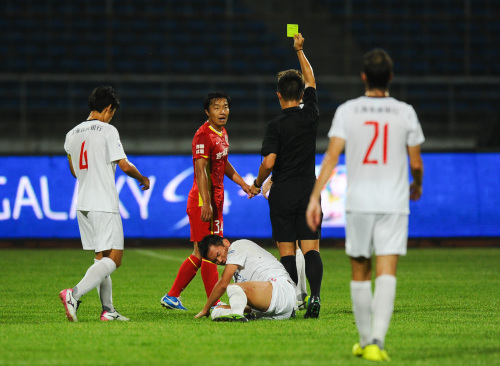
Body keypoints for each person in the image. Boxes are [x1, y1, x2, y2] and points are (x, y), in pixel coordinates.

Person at [306, 48, 424, 361]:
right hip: (394, 203)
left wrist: (315, 195)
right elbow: (416, 163)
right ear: (391, 77)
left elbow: (331, 157)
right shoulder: (405, 112)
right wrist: (418, 184)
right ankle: (377, 343)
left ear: (363, 77)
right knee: (386, 271)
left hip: (358, 203)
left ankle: (362, 340)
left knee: (360, 271)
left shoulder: (348, 111)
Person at [59, 85, 150, 322]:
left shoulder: (71, 134)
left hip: (84, 204)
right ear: (108, 108)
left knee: (101, 258)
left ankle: (108, 310)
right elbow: (125, 165)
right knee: (114, 259)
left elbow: (74, 171)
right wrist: (142, 178)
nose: (112, 116)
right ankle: (74, 294)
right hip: (104, 202)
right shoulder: (108, 130)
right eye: (112, 112)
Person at [249, 33, 322, 318]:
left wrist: (258, 183)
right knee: (312, 249)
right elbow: (312, 80)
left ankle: (291, 301)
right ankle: (314, 296)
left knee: (288, 252)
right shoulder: (311, 115)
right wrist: (300, 50)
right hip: (308, 190)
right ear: (303, 95)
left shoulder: (275, 125)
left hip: (282, 193)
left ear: (278, 95)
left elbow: (269, 162)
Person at [161, 92, 251, 311]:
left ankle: (172, 296)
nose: (222, 111)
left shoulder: (222, 133)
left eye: (226, 106)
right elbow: (200, 170)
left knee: (203, 253)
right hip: (203, 202)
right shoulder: (203, 135)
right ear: (207, 112)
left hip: (216, 202)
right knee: (211, 253)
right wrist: (206, 202)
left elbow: (224, 163)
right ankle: (216, 302)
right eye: (217, 107)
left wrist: (242, 183)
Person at [194, 234, 296, 322]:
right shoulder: (236, 273)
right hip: (275, 309)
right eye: (215, 260)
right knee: (216, 311)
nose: (219, 260)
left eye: (218, 254)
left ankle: (237, 315)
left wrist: (205, 309)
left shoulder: (237, 246)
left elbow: (223, 284)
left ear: (226, 242)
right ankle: (239, 313)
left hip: (281, 290)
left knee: (232, 287)